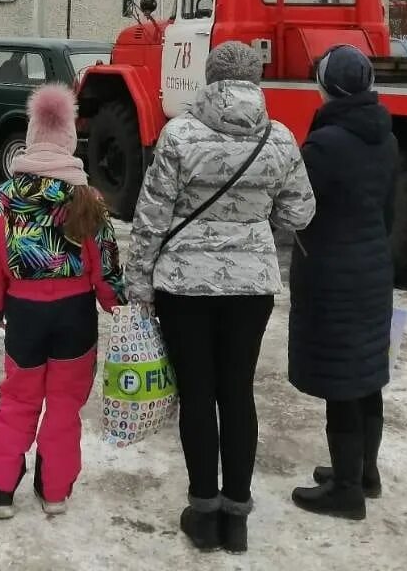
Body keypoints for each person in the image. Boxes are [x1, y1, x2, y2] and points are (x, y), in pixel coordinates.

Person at [125, 41, 314, 554]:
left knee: (197, 393)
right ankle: (237, 514)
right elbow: (300, 213)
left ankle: (203, 510)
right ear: (256, 79)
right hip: (251, 285)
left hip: (184, 285)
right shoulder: (280, 138)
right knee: (237, 391)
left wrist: (138, 282)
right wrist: (257, 225)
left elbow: (152, 217)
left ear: (210, 78)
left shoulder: (179, 134)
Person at [0, 84, 126, 519]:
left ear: (33, 136)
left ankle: (0, 489)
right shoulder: (86, 199)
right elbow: (106, 262)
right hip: (75, 317)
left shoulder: (5, 199)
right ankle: (54, 491)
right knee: (64, 405)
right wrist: (116, 303)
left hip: (24, 313)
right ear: (68, 141)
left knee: (18, 399)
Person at [288, 45, 399, 522]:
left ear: (328, 87)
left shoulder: (325, 145)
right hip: (374, 271)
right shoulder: (386, 137)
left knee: (341, 382)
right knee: (367, 376)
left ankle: (346, 490)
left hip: (333, 275)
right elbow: (390, 211)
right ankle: (364, 472)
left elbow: (297, 210)